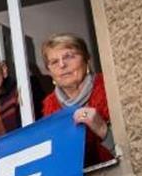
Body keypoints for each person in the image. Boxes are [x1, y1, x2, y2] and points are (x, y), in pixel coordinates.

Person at [40, 33, 114, 165]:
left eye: (69, 56)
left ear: (87, 60)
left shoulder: (109, 86)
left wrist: (104, 132)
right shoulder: (49, 107)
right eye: (54, 62)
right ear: (49, 71)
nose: (62, 65)